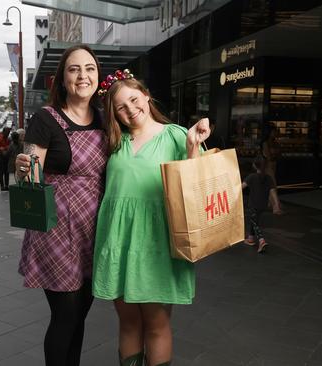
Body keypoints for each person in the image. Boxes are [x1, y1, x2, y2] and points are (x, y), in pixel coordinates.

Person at [92, 72, 210, 366]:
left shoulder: (177, 135)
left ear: (146, 95)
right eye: (121, 107)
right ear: (114, 113)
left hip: (159, 243)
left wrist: (194, 147)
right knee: (129, 323)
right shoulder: (113, 141)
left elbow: (197, 183)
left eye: (134, 99)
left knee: (156, 325)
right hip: (119, 241)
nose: (131, 109)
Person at [14, 45, 107, 366]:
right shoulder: (45, 119)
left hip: (95, 231)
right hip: (56, 230)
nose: (83, 76)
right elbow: (29, 177)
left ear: (98, 75)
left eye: (90, 68)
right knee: (65, 315)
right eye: (74, 69)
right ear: (62, 79)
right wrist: (22, 167)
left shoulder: (107, 120)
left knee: (80, 315)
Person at [242, 156, 280, 253]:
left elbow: (241, 187)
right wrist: (276, 205)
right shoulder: (268, 178)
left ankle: (262, 241)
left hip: (254, 204)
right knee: (254, 220)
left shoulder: (251, 177)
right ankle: (250, 239)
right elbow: (273, 192)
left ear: (254, 165)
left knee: (255, 223)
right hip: (263, 206)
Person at [261, 127, 283, 214]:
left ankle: (270, 203)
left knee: (270, 184)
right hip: (267, 166)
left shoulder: (275, 143)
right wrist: (275, 155)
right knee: (272, 184)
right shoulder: (266, 143)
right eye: (273, 131)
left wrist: (274, 156)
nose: (275, 133)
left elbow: (279, 154)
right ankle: (275, 206)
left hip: (273, 165)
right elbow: (269, 156)